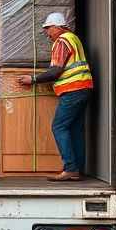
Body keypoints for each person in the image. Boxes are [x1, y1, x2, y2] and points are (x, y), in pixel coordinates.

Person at [19, 12, 93, 181]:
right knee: (75, 130)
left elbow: (56, 70)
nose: (46, 33)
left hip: (73, 89)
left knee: (58, 127)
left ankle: (70, 168)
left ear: (57, 27)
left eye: (48, 28)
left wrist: (33, 79)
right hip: (84, 88)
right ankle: (76, 169)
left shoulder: (62, 41)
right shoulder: (74, 39)